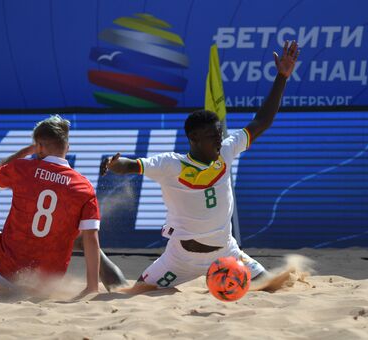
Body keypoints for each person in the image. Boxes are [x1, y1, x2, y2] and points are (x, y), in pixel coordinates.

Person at [100, 40, 300, 294]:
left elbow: (262, 121)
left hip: (227, 252)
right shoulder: (171, 164)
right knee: (130, 293)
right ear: (193, 139)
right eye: (211, 136)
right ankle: (97, 261)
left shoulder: (226, 150)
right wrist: (115, 163)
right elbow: (132, 166)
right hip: (180, 258)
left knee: (274, 287)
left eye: (219, 133)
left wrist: (282, 77)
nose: (219, 139)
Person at [0, 115, 126, 302]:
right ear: (67, 148)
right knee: (83, 237)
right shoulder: (83, 186)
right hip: (46, 281)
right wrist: (91, 288)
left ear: (39, 146)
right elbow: (92, 239)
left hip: (8, 268)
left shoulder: (23, 168)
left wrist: (24, 152)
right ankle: (119, 285)